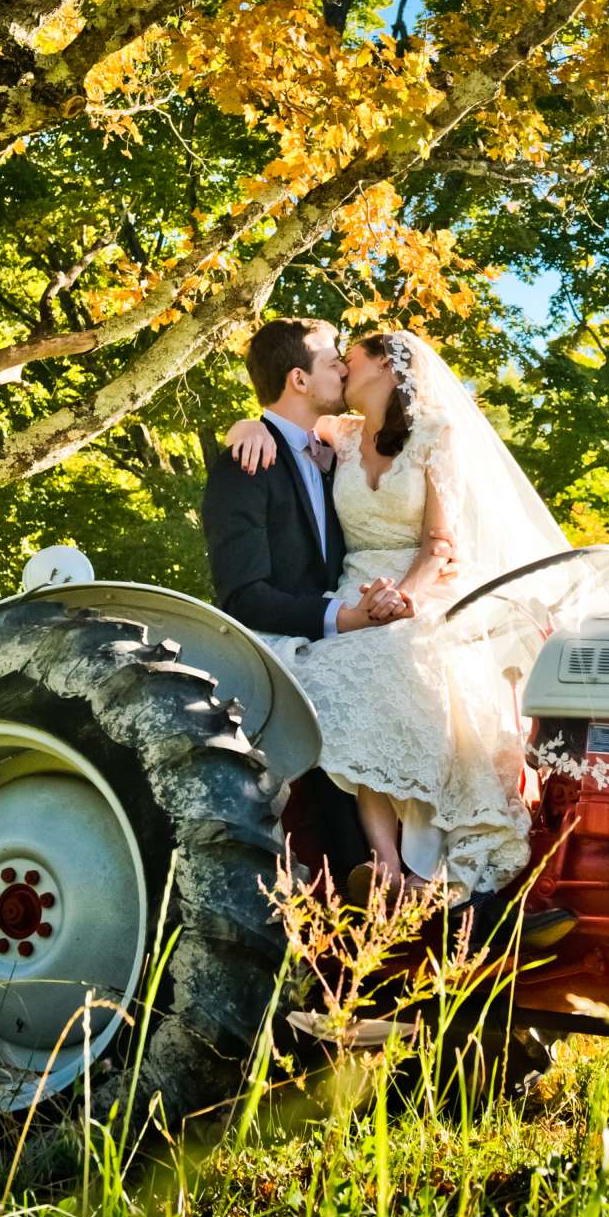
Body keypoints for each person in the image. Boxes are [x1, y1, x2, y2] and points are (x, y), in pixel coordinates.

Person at [221, 326, 609, 904]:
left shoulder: (437, 436)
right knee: (340, 674)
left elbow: (441, 541)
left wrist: (404, 599)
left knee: (395, 661)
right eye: (333, 361)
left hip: (424, 588)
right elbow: (280, 424)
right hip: (354, 597)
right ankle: (383, 866)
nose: (340, 368)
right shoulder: (339, 437)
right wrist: (244, 428)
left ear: (387, 368)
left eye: (350, 359)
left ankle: (435, 863)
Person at [202, 317, 404, 889]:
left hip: (360, 624)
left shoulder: (338, 445)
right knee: (341, 697)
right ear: (298, 378)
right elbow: (244, 597)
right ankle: (363, 879)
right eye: (332, 359)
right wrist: (343, 619)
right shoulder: (245, 466)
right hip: (286, 644)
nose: (343, 366)